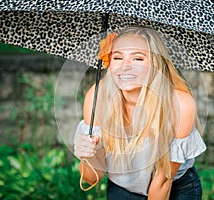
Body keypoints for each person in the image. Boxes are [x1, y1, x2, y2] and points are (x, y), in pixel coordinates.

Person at [74, 26, 206, 200]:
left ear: (156, 64)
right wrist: (88, 156)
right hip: (122, 187)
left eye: (137, 58)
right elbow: (92, 178)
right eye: (118, 57)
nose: (125, 66)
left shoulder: (179, 103)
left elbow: (163, 180)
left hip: (175, 187)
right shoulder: (97, 98)